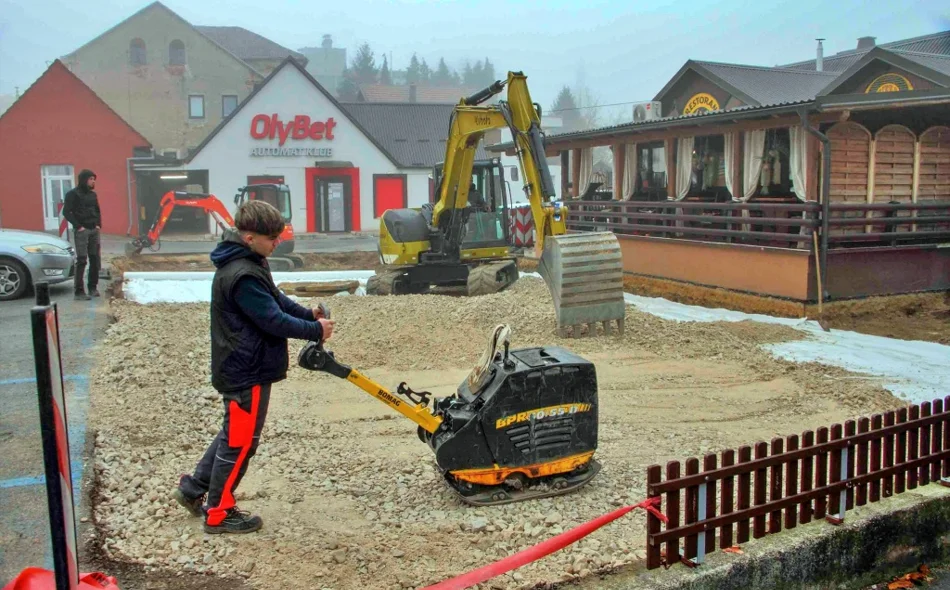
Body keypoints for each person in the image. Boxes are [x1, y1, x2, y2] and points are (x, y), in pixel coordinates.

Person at [172, 200, 334, 534]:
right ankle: (219, 512)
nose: (277, 242)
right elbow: (272, 320)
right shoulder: (242, 273)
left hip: (242, 365)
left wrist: (307, 315)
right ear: (249, 237)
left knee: (233, 434)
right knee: (241, 442)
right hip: (247, 370)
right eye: (271, 237)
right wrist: (315, 331)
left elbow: (275, 299)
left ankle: (194, 488)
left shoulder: (248, 261)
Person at [62, 169, 101, 300]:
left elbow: (97, 209)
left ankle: (93, 287)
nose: (93, 181)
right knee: (82, 260)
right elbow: (66, 212)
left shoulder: (93, 195)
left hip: (93, 230)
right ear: (84, 180)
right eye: (91, 179)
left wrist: (98, 225)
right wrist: (78, 226)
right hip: (82, 231)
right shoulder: (72, 194)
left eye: (94, 179)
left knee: (95, 259)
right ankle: (79, 291)